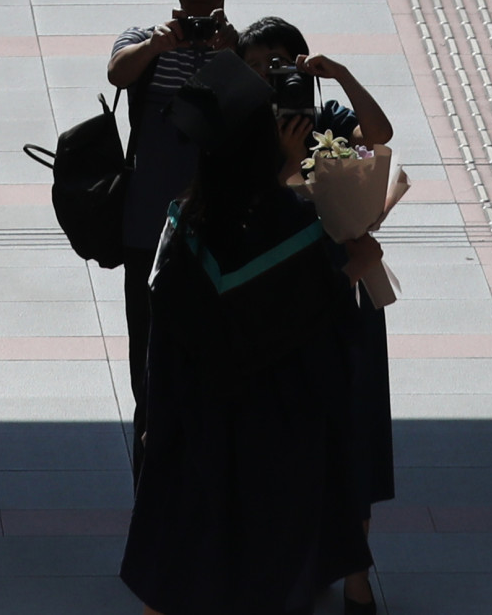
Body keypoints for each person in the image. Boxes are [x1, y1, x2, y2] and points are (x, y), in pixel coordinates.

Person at [119, 53, 376, 615]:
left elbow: (165, 342)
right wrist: (356, 265)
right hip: (275, 446)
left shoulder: (185, 221)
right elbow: (316, 323)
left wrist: (158, 431)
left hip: (197, 436)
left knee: (189, 572)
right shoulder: (293, 226)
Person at [247, 16, 404, 608]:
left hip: (346, 295)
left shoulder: (327, 123)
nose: (272, 79)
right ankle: (298, 562)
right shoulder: (239, 133)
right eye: (259, 67)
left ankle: (356, 574)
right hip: (282, 306)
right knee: (290, 437)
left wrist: (339, 76)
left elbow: (381, 134)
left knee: (355, 432)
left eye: (283, 64)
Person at [105, 0, 245, 408]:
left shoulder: (248, 47)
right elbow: (117, 73)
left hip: (225, 229)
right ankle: (150, 461)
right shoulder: (146, 38)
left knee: (220, 359)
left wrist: (233, 54)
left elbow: (265, 115)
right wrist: (157, 47)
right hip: (149, 226)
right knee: (147, 358)